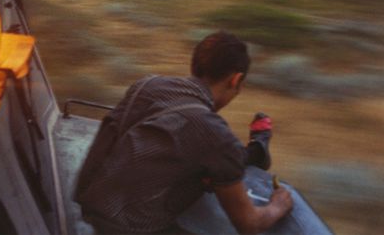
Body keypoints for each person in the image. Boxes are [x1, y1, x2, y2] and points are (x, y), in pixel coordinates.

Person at [75, 31, 293, 234]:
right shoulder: (214, 132)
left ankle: (253, 152)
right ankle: (255, 152)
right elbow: (249, 223)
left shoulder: (147, 84)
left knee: (215, 155)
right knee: (219, 157)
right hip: (130, 228)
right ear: (235, 80)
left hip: (91, 206)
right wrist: (278, 205)